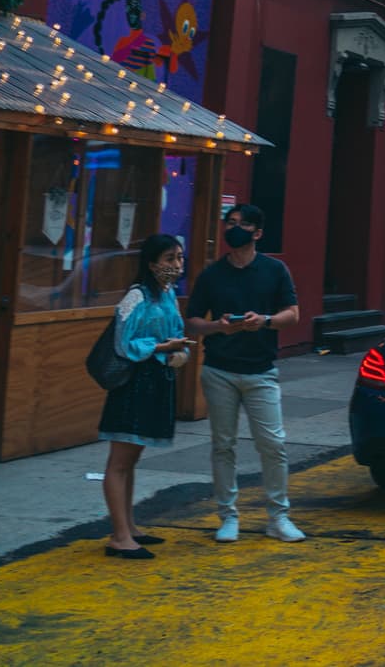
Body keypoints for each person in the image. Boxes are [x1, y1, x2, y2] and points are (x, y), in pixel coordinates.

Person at [185, 203, 304, 543]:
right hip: (218, 370)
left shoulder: (275, 270)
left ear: (258, 233)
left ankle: (278, 517)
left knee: (273, 444)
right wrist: (218, 327)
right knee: (223, 445)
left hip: (261, 371)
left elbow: (293, 314)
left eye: (241, 224)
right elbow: (192, 321)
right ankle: (227, 517)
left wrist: (263, 321)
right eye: (230, 222)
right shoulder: (212, 274)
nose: (233, 229)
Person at [99, 234, 192, 559]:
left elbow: (176, 332)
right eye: (169, 259)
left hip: (157, 381)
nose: (176, 265)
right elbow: (123, 343)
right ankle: (119, 536)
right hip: (134, 385)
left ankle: (129, 527)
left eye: (179, 258)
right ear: (152, 263)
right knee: (120, 461)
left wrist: (177, 352)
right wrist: (160, 348)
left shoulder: (167, 295)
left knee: (132, 460)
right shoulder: (136, 296)